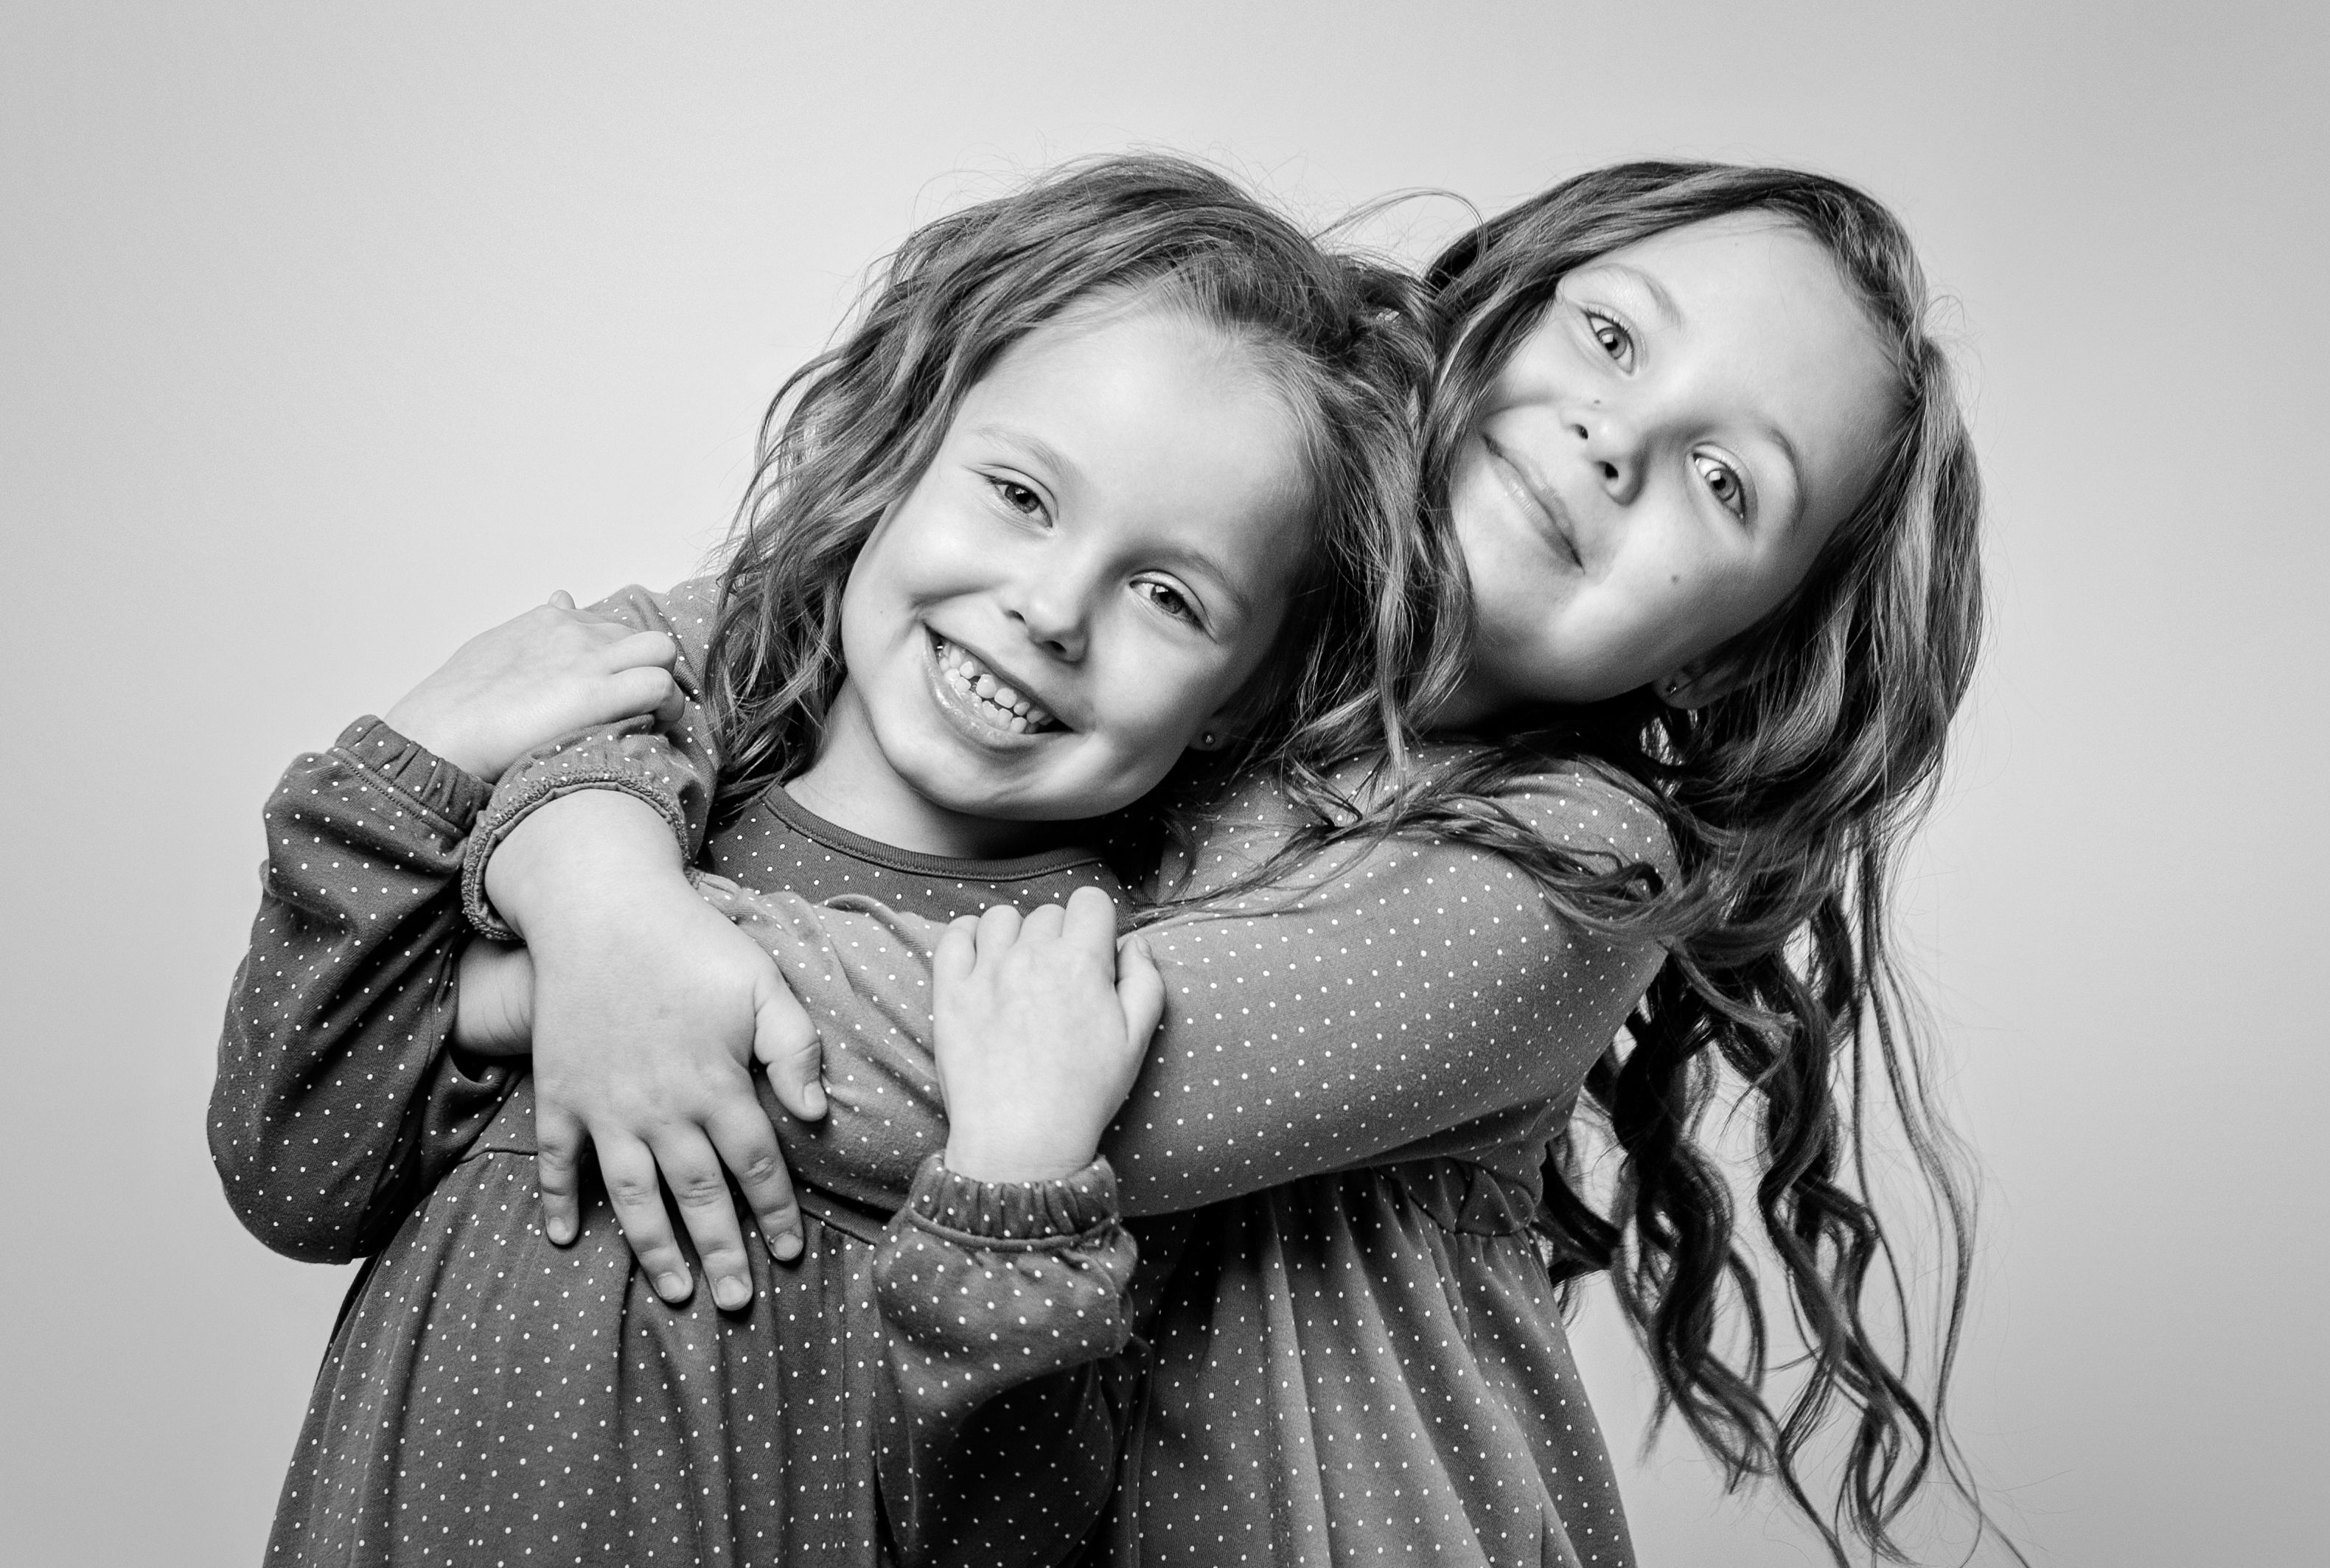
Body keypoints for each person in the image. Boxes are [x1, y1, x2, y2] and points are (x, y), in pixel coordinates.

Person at [461, 161, 2000, 1567]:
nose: (1620, 440)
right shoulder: (1217, 547)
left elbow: (993, 1060)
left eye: (1727, 482)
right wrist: (593, 870)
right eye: (1611, 337)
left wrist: (524, 979)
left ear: (1735, 659)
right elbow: (692, 653)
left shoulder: (1572, 868)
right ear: (1498, 305)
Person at [210, 154, 1428, 1568]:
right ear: (897, 452)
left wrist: (1018, 1196)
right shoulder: (595, 799)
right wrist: (424, 787)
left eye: (1168, 594)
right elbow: (295, 1170)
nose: (1051, 608)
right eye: (1021, 494)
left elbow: (1004, 1539)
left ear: (1241, 692)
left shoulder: (1087, 999)